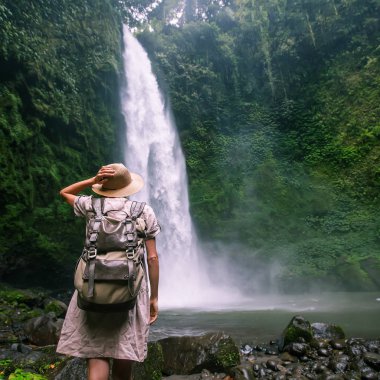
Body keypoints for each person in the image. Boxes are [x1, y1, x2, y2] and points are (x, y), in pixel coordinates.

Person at [56, 163, 160, 380]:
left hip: (93, 285)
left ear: (102, 185)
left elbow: (64, 192)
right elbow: (152, 258)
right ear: (128, 186)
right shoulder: (143, 211)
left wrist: (91, 182)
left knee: (96, 352)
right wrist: (154, 297)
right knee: (124, 352)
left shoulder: (90, 205)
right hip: (131, 288)